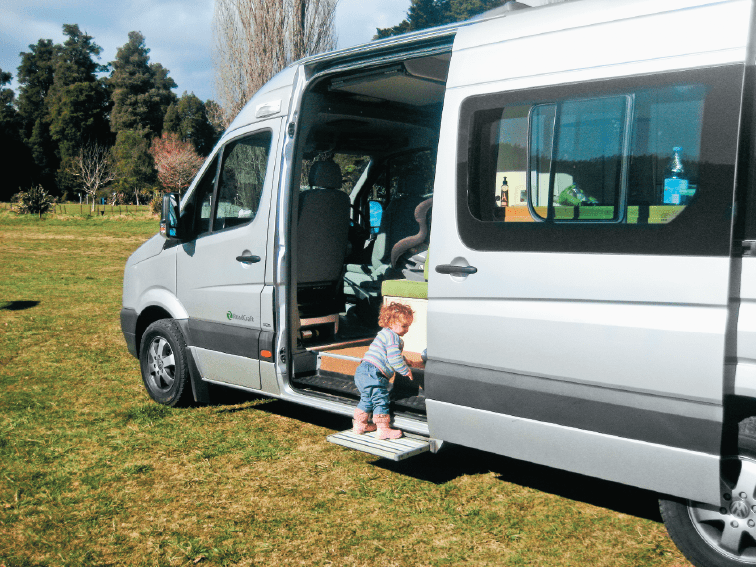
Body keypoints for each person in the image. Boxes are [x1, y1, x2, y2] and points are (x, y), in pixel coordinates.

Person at [353, 302, 414, 439]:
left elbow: (390, 354)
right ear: (391, 323)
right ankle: (383, 429)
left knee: (367, 399)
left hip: (363, 370)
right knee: (381, 400)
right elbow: (393, 358)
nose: (407, 329)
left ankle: (360, 425)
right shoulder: (393, 337)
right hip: (375, 373)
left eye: (408, 326)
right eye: (404, 326)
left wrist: (404, 360)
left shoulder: (385, 334)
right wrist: (405, 370)